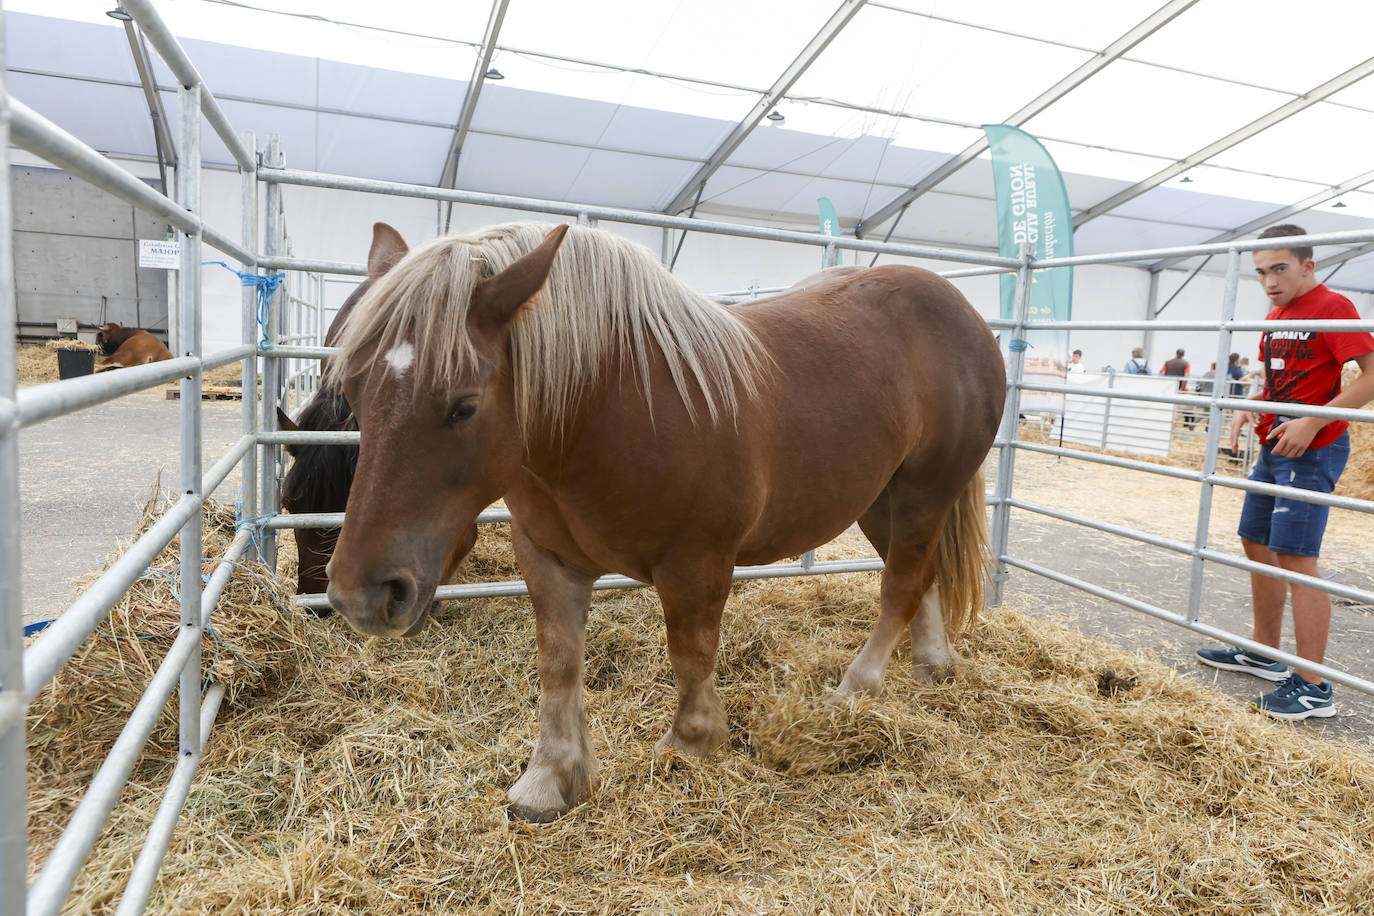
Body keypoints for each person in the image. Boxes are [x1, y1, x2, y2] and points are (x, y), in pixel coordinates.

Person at [1197, 224, 1374, 720]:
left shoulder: (1333, 307)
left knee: (1297, 557)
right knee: (1255, 541)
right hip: (1275, 441)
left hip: (1314, 447)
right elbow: (1282, 381)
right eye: (1260, 272)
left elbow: (1371, 372)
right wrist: (1250, 405)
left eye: (1280, 268)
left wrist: (1313, 421)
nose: (1269, 281)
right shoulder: (1276, 314)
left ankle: (1315, 686)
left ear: (1307, 265)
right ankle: (1265, 652)